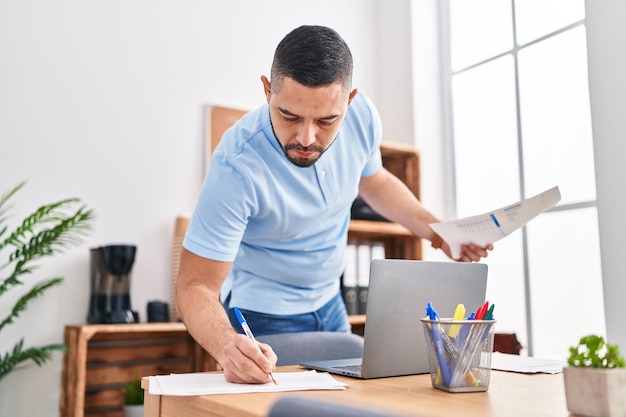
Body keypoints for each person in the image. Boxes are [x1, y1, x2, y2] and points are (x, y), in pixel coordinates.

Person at [176, 25, 493, 384]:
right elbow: (195, 286)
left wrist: (437, 231)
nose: (306, 138)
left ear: (350, 101)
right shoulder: (237, 165)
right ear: (267, 91)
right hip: (263, 317)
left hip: (331, 304)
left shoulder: (362, 118)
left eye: (327, 120)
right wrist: (226, 345)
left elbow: (374, 181)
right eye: (289, 116)